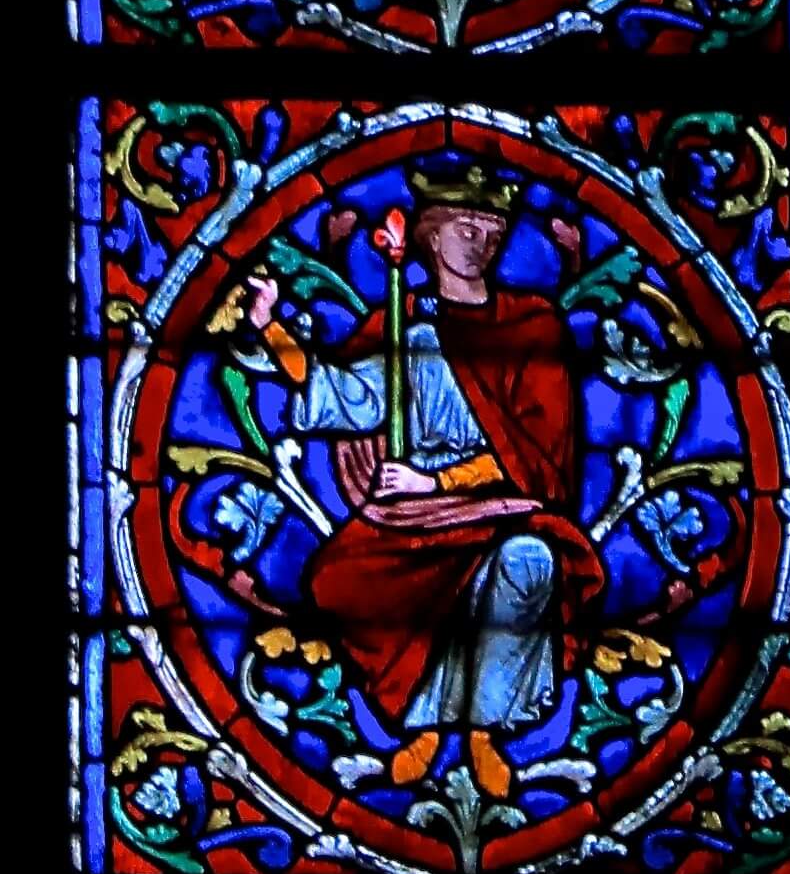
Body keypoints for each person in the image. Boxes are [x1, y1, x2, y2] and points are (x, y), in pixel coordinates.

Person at [239, 159, 605, 806]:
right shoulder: (409, 327)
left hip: (502, 505)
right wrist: (271, 327)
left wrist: (434, 480)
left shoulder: (532, 326)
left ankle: (485, 730)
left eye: (492, 230)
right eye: (466, 227)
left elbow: (535, 458)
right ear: (431, 236)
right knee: (336, 580)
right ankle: (427, 725)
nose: (481, 242)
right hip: (412, 514)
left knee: (529, 561)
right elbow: (345, 397)